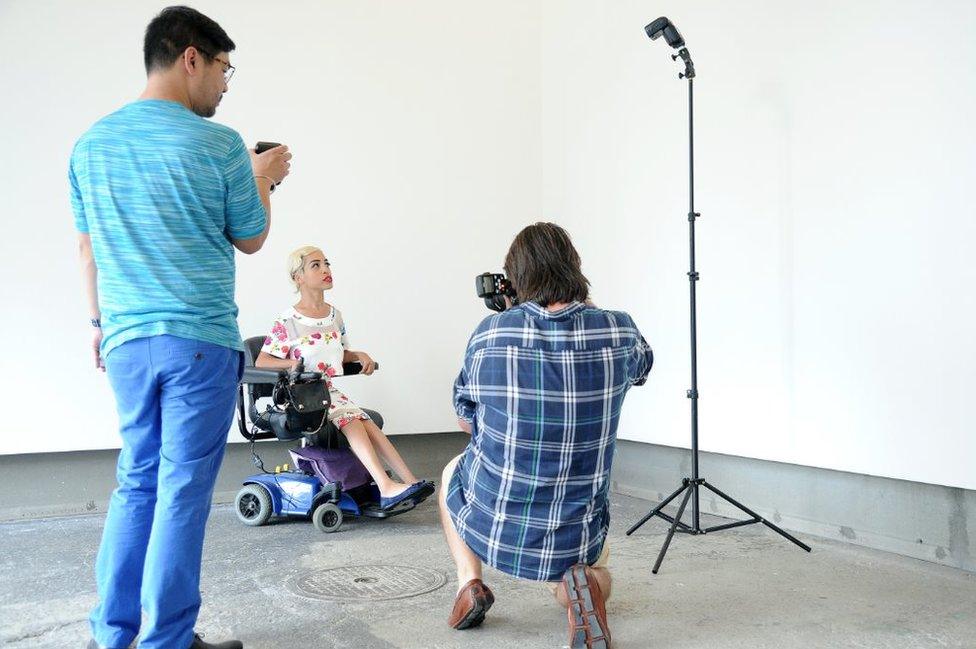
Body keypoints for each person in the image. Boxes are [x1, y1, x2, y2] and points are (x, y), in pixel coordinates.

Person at [71, 6, 290, 649]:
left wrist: (98, 325)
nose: (225, 84)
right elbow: (250, 237)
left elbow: (87, 251)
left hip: (127, 341)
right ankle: (166, 639)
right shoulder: (218, 144)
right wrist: (263, 178)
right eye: (224, 68)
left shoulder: (91, 143)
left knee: (136, 480)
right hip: (197, 341)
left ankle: (112, 636)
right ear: (190, 56)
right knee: (182, 493)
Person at [439, 222, 653, 649]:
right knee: (593, 573)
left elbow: (467, 419)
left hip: (500, 521)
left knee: (451, 473)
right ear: (575, 268)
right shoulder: (619, 330)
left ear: (515, 279)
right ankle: (580, 586)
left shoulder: (491, 332)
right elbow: (642, 368)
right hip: (577, 524)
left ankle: (471, 583)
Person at [255, 245, 433, 510]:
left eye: (327, 263)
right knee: (353, 421)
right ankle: (385, 486)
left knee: (368, 423)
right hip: (301, 396)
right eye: (316, 265)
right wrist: (294, 363)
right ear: (298, 277)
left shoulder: (334, 316)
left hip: (326, 392)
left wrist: (360, 355)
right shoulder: (288, 319)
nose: (326, 270)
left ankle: (408, 482)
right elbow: (262, 360)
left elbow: (340, 354)